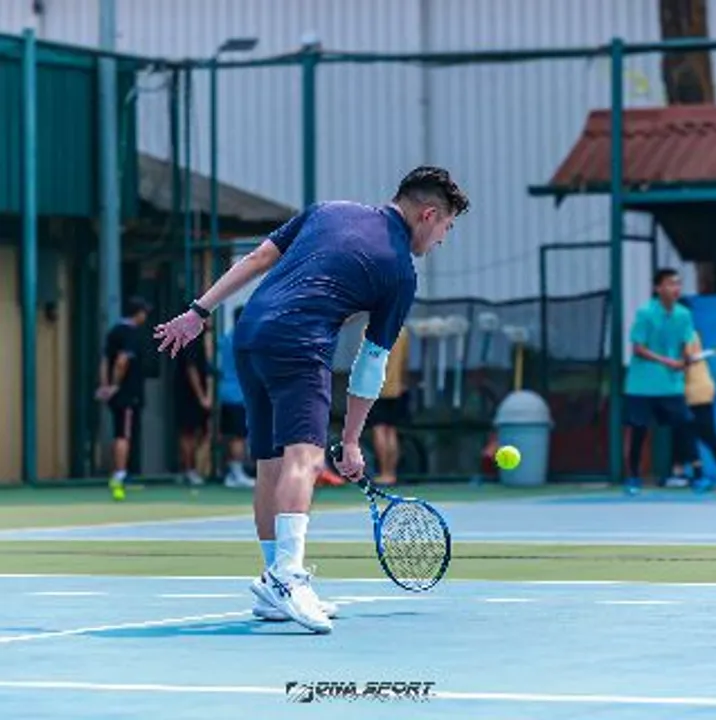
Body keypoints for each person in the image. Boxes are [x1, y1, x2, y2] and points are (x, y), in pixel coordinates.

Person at [154, 166, 470, 633]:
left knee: (271, 463)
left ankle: (272, 581)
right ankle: (288, 576)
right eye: (446, 227)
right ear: (428, 215)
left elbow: (259, 258)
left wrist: (199, 311)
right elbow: (371, 363)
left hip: (250, 336)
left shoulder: (328, 210)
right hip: (298, 345)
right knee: (304, 459)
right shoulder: (400, 272)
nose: (442, 239)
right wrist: (353, 441)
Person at [623, 268, 707, 495]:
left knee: (686, 423)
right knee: (639, 429)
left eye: (678, 284)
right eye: (670, 284)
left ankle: (698, 475)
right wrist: (667, 361)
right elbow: (638, 348)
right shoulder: (645, 313)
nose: (675, 288)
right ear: (658, 288)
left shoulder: (684, 315)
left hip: (671, 385)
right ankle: (633, 477)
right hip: (641, 385)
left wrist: (685, 359)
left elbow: (684, 343)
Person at [95, 296, 152, 502]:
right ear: (138, 313)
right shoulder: (130, 333)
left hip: (119, 393)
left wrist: (105, 386)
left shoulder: (114, 331)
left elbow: (104, 360)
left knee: (120, 431)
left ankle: (119, 472)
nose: (146, 316)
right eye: (144, 312)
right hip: (127, 393)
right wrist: (115, 385)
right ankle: (119, 475)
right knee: (124, 434)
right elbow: (121, 361)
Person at [669, 301, 716, 489]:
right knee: (683, 432)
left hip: (697, 392)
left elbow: (683, 362)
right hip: (687, 391)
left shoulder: (686, 334)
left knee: (706, 434)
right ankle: (683, 474)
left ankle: (690, 474)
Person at [367, 325, 411, 485]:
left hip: (375, 387)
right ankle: (391, 473)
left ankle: (384, 472)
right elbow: (405, 362)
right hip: (397, 388)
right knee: (391, 431)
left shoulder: (371, 329)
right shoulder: (402, 331)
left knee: (379, 429)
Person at [220, 306, 255, 488]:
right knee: (239, 436)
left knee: (231, 435)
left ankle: (232, 473)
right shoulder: (244, 340)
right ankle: (237, 474)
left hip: (225, 391)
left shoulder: (226, 338)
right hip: (238, 394)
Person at [174, 326, 212, 486]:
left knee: (198, 432)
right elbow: (191, 369)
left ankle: (188, 469)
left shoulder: (201, 339)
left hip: (193, 395)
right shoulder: (191, 339)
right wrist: (202, 396)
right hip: (189, 396)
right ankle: (189, 470)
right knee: (188, 433)